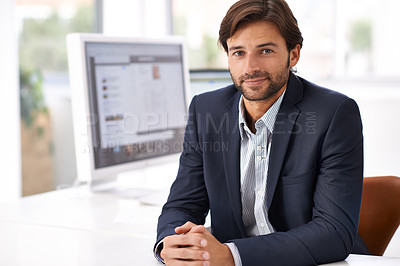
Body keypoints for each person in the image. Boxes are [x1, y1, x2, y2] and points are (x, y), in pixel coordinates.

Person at [154, 0, 369, 265]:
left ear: (294, 54)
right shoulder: (205, 110)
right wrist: (171, 244)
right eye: (238, 52)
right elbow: (183, 205)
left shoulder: (334, 114)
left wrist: (232, 255)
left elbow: (334, 232)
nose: (249, 68)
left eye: (265, 50)